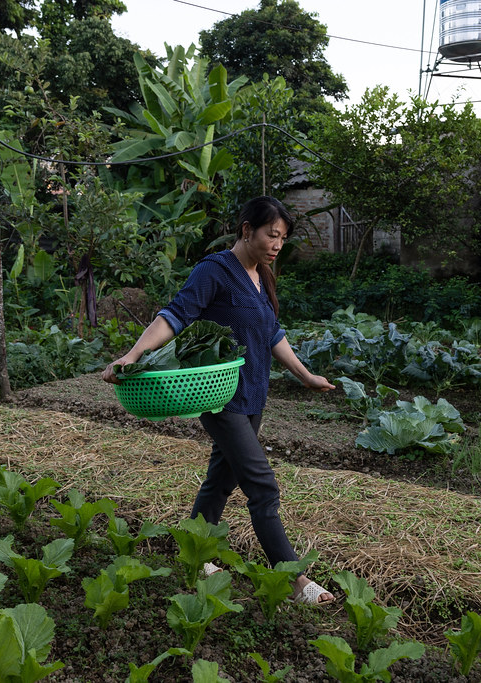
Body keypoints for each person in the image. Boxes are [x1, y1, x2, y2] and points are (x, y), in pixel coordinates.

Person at [102, 196, 336, 604]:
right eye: (271, 235)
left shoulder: (261, 275)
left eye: (283, 238)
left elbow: (271, 332)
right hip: (220, 397)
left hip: (253, 395)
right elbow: (174, 315)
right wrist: (133, 354)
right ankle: (296, 581)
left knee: (222, 479)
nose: (278, 244)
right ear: (247, 229)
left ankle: (195, 549)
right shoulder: (215, 270)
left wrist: (305, 376)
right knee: (262, 485)